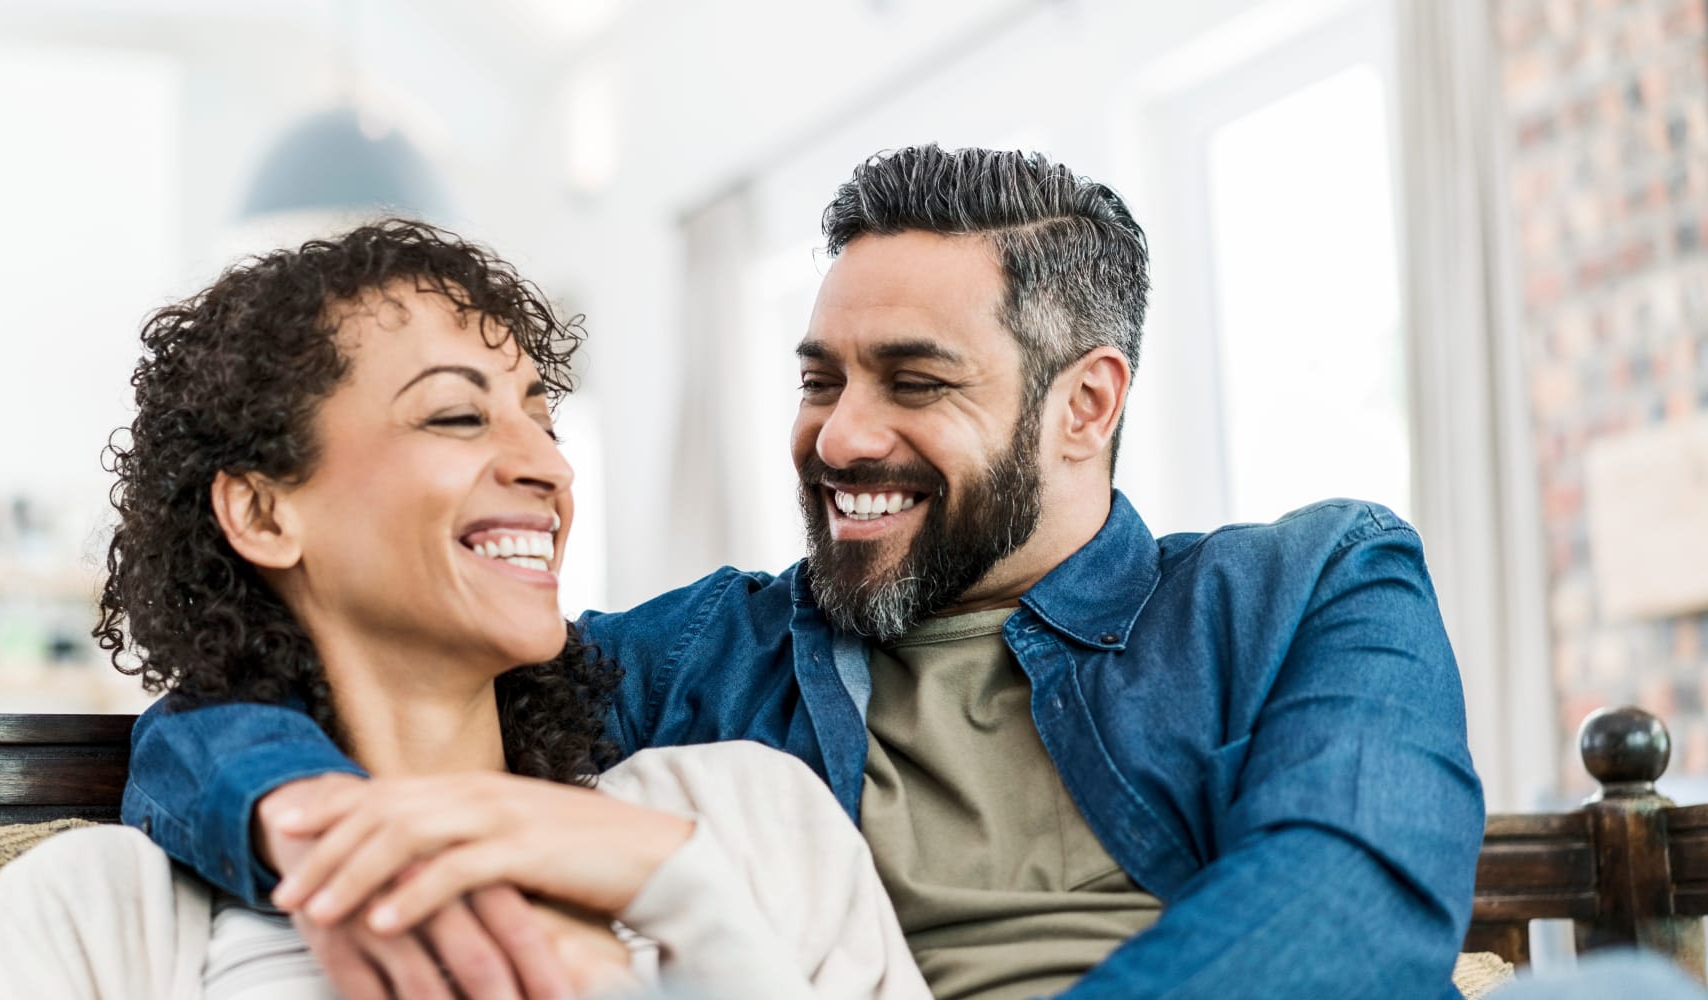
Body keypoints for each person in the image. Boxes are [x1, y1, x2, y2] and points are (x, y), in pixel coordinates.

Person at [125, 146, 1487, 999]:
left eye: (914, 382)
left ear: (1085, 405)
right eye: (822, 377)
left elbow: (1347, 909)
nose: (840, 435)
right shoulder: (711, 663)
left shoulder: (1311, 589)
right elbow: (226, 712)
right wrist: (307, 820)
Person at [0, 221, 931, 1000]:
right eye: (456, 414)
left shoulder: (740, 818)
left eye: (541, 413)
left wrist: (683, 892)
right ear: (265, 510)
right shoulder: (104, 912)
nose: (544, 461)